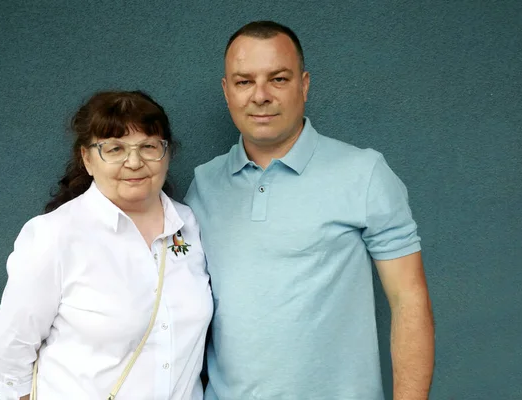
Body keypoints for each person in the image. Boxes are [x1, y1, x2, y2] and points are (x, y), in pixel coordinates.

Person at [184, 21, 434, 400]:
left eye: (278, 79)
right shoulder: (204, 184)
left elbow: (408, 301)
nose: (261, 95)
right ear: (227, 91)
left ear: (304, 85)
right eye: (244, 81)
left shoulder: (363, 173)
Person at [0, 90, 213, 400]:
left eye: (148, 146)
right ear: (87, 159)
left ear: (167, 154)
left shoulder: (189, 225)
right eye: (115, 148)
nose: (134, 162)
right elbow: (10, 353)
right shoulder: (55, 235)